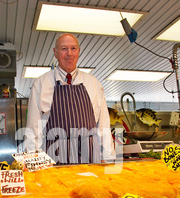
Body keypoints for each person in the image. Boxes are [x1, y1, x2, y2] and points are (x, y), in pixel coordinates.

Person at [24, 33, 114, 165]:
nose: (69, 54)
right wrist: (32, 163)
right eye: (64, 49)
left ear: (79, 51)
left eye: (73, 48)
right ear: (55, 52)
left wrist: (107, 158)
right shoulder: (41, 84)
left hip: (90, 159)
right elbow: (33, 127)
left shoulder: (94, 83)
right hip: (54, 160)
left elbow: (103, 125)